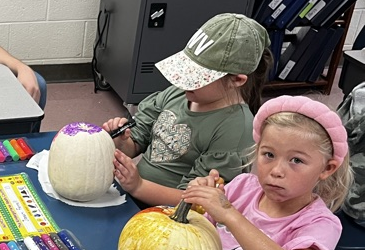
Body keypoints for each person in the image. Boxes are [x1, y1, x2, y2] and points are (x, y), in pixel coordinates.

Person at [182, 95, 351, 250]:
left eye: (297, 161)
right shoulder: (242, 187)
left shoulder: (321, 224)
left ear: (326, 169)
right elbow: (198, 238)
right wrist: (199, 202)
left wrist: (229, 214)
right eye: (269, 155)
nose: (277, 171)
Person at [103, 13, 271, 207]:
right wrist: (122, 142)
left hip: (169, 217)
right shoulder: (178, 94)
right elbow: (137, 142)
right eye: (187, 70)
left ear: (236, 80)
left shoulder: (235, 130)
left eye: (197, 77)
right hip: (131, 197)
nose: (183, 82)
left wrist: (139, 186)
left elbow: (197, 200)